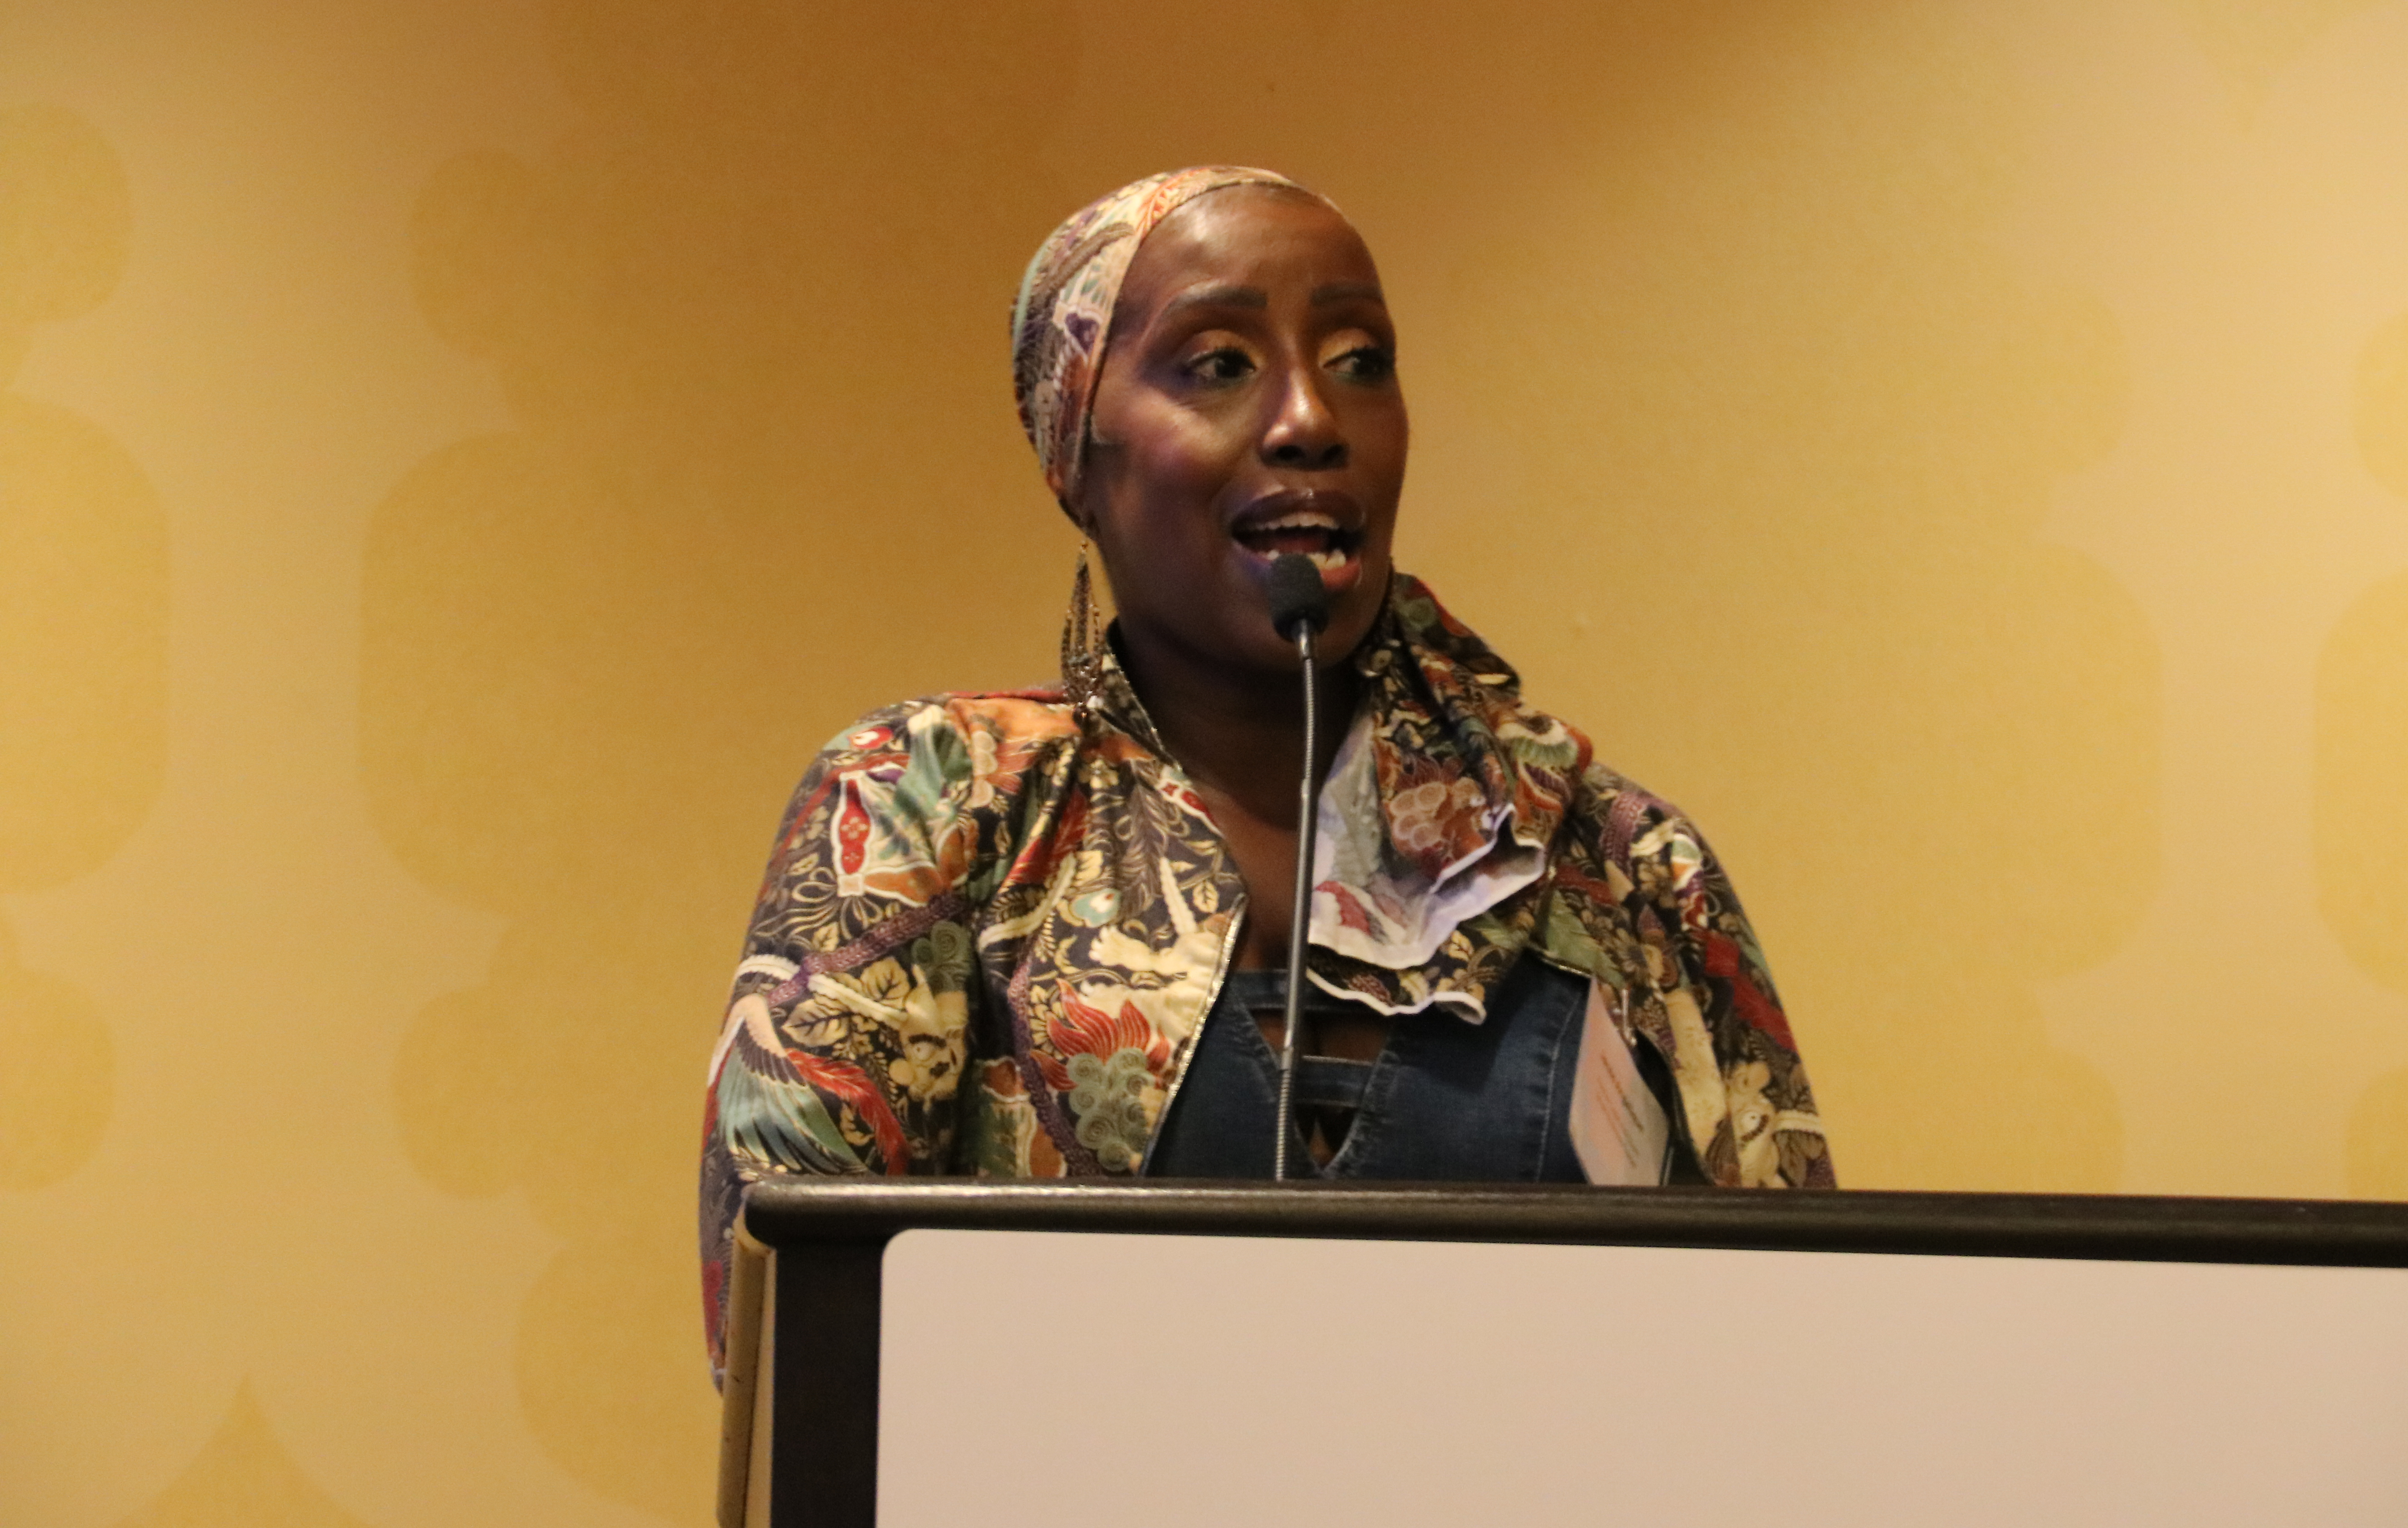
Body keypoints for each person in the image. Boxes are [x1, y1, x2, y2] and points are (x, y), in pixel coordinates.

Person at [699, 166, 1832, 1368]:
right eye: (1220, 364)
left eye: (1359, 357)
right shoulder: (931, 807)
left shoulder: (1613, 865)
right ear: (1076, 454)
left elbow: (1796, 1354)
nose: (1311, 419)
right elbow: (796, 1361)